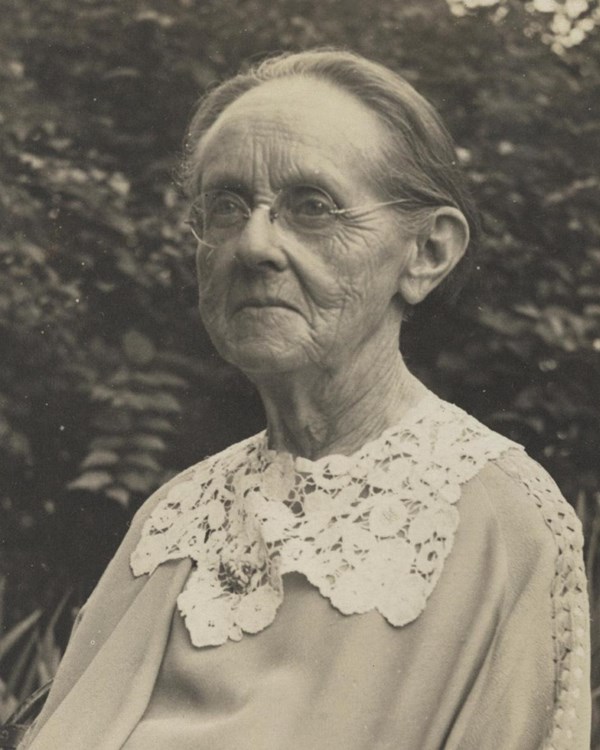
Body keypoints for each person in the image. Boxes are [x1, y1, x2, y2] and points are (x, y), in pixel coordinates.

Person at [21, 48, 590, 750]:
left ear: (428, 253)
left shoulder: (496, 522)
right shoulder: (174, 518)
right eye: (225, 207)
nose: (253, 244)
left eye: (312, 207)